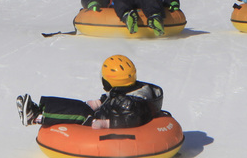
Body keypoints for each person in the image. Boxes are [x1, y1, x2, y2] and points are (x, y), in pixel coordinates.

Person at [16, 55, 163, 129]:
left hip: (103, 122)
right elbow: (116, 98)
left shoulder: (131, 103)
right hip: (105, 113)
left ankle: (36, 117)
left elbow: (131, 118)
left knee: (80, 113)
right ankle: (40, 108)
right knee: (79, 105)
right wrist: (100, 102)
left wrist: (105, 123)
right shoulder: (131, 90)